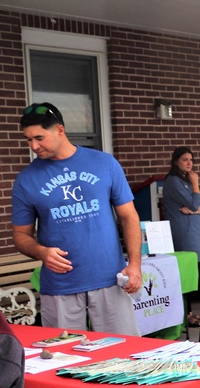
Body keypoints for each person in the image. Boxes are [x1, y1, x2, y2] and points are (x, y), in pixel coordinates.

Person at [11, 102, 142, 335]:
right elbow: (21, 235)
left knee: (123, 357)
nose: (34, 146)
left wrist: (134, 264)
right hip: (60, 286)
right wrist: (42, 252)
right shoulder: (26, 179)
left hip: (110, 279)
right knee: (64, 363)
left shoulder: (104, 163)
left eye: (39, 138)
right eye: (28, 140)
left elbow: (129, 216)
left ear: (60, 130)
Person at [162, 146, 200, 326]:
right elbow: (195, 204)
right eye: (185, 160)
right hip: (184, 234)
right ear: (175, 162)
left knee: (194, 274)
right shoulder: (174, 181)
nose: (189, 163)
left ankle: (188, 312)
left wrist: (195, 211)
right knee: (184, 275)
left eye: (191, 160)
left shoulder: (186, 181)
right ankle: (185, 314)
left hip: (195, 232)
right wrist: (196, 185)